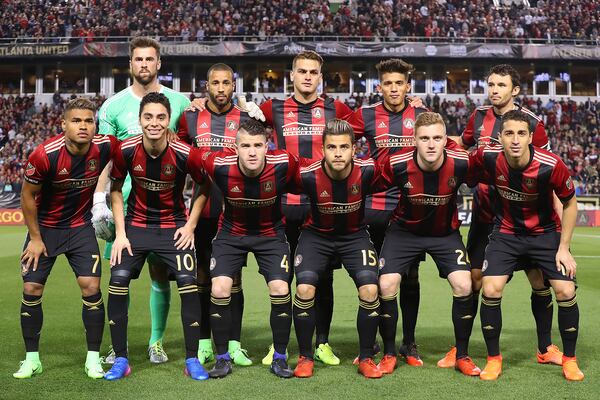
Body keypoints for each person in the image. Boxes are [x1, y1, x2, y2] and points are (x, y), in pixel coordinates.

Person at [439, 64, 561, 369]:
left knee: (538, 280)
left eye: (501, 85)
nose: (494, 90)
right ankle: (461, 349)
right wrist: (429, 128)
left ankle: (545, 347)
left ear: (515, 90)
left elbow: (549, 173)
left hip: (527, 217)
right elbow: (461, 145)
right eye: (490, 84)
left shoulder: (533, 123)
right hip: (485, 214)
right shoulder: (479, 117)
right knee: (475, 280)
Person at [93, 37, 193, 364]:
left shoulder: (180, 102)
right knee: (118, 276)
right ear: (131, 63)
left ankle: (156, 342)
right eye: (139, 59)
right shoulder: (112, 107)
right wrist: (98, 200)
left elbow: (191, 147)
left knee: (160, 274)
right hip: (123, 208)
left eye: (150, 59)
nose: (144, 65)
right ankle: (116, 345)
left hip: (165, 209)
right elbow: (107, 159)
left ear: (159, 63)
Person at [470, 110, 583, 381]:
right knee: (490, 287)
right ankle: (494, 359)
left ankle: (569, 359)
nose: (515, 139)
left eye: (522, 133)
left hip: (545, 234)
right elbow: (460, 167)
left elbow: (569, 203)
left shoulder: (550, 164)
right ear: (499, 137)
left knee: (565, 289)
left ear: (531, 137)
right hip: (506, 233)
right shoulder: (487, 157)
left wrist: (564, 248)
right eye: (509, 133)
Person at [104, 93, 209, 381]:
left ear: (167, 120)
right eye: (148, 117)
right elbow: (115, 190)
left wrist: (189, 226)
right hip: (135, 227)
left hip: (172, 228)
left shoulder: (186, 153)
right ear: (140, 120)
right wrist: (121, 235)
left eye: (160, 117)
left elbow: (204, 187)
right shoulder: (125, 150)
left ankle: (192, 359)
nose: (154, 123)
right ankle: (121, 358)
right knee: (118, 280)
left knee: (189, 283)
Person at [258, 50, 354, 366]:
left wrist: (414, 108)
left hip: (322, 208)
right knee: (282, 278)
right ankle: (279, 344)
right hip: (283, 205)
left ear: (320, 77)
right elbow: (239, 125)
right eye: (302, 71)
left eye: (314, 72)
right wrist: (202, 104)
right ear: (292, 75)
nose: (308, 77)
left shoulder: (335, 109)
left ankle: (322, 343)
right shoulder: (273, 108)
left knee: (321, 278)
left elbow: (366, 129)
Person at [14, 98, 118, 379]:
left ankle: (93, 359)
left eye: (88, 121)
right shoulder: (44, 154)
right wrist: (35, 239)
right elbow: (27, 196)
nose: (83, 126)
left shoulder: (105, 146)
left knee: (90, 287)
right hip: (46, 229)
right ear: (63, 124)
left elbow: (134, 146)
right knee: (32, 289)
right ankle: (32, 359)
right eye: (76, 121)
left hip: (80, 227)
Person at [377, 112, 480, 377]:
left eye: (437, 138)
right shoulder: (397, 163)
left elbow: (493, 167)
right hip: (404, 232)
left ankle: (463, 354)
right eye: (424, 138)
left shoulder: (461, 162)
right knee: (387, 284)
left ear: (446, 140)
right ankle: (390, 352)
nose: (431, 144)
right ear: (414, 140)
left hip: (443, 233)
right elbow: (363, 178)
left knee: (464, 284)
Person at [195, 119, 297, 379]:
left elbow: (316, 174)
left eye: (258, 145)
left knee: (281, 288)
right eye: (246, 146)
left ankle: (280, 358)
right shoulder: (217, 164)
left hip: (270, 235)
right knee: (218, 288)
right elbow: (186, 157)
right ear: (235, 147)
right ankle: (221, 359)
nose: (252, 151)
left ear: (267, 147)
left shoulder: (285, 163)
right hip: (231, 234)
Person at [348, 58, 430, 366]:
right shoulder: (366, 115)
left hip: (410, 207)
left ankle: (408, 343)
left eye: (399, 83)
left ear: (408, 85)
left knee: (409, 277)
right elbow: (337, 136)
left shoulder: (422, 114)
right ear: (379, 86)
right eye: (388, 83)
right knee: (375, 278)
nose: (394, 88)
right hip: (373, 208)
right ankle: (374, 344)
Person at [292, 119, 383, 379]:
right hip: (316, 235)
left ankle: (366, 357)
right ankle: (305, 356)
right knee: (304, 288)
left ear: (355, 149)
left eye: (344, 147)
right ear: (323, 149)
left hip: (354, 236)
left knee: (370, 289)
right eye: (332, 147)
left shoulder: (367, 170)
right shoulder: (306, 174)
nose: (338, 153)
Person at [178, 63, 252, 366]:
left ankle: (234, 343)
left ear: (233, 86)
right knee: (202, 278)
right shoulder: (191, 117)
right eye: (215, 83)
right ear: (206, 85)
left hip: (236, 212)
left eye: (226, 83)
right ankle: (205, 342)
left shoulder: (245, 118)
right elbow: (179, 156)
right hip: (201, 211)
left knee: (233, 279)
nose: (221, 88)